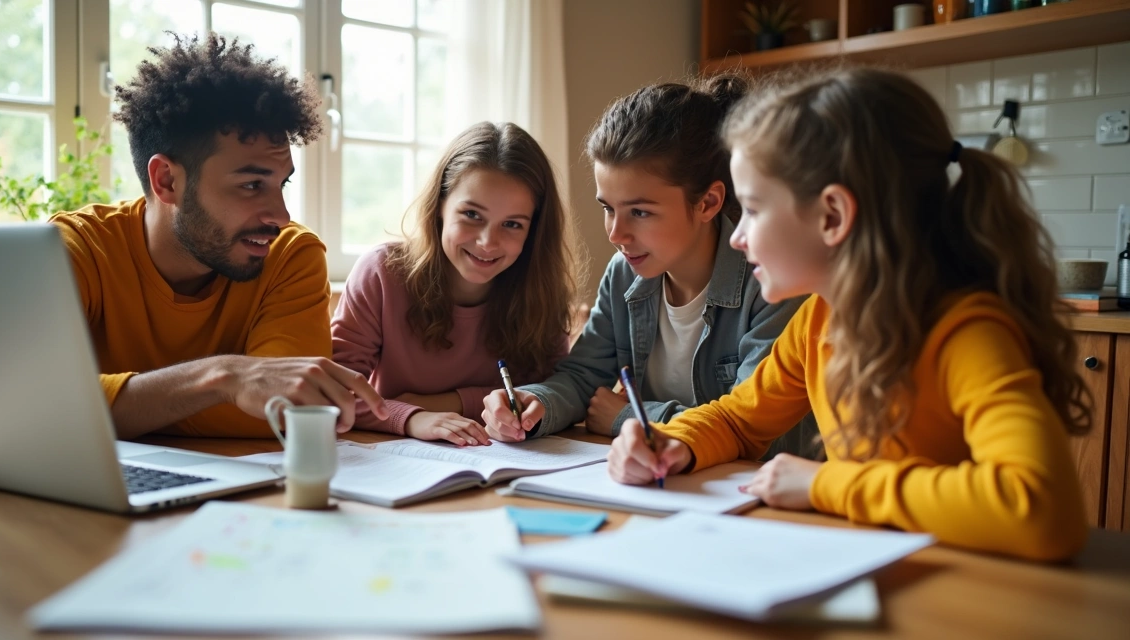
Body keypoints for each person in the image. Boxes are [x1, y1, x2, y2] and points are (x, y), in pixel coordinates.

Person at [607, 67, 1091, 561]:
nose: (737, 236)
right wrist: (673, 442)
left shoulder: (966, 333)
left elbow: (1043, 509)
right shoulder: (820, 320)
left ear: (832, 216)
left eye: (752, 209)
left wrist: (827, 483)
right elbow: (739, 420)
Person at [51, 33, 385, 440]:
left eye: (282, 185)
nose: (281, 217)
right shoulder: (73, 250)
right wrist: (224, 378)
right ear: (166, 180)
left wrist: (109, 406)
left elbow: (286, 411)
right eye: (251, 186)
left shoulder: (291, 254)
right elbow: (23, 400)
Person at [481, 75, 814, 459]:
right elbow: (583, 377)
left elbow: (754, 429)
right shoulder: (625, 272)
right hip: (666, 479)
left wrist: (628, 417)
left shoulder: (773, 282)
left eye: (639, 212)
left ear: (707, 203)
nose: (615, 233)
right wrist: (533, 404)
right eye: (608, 208)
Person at [331, 122, 580, 446]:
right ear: (439, 207)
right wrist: (413, 418)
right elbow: (334, 394)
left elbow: (557, 394)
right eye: (472, 215)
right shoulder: (381, 273)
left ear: (533, 231)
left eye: (512, 224)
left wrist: (454, 403)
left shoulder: (540, 288)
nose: (488, 242)